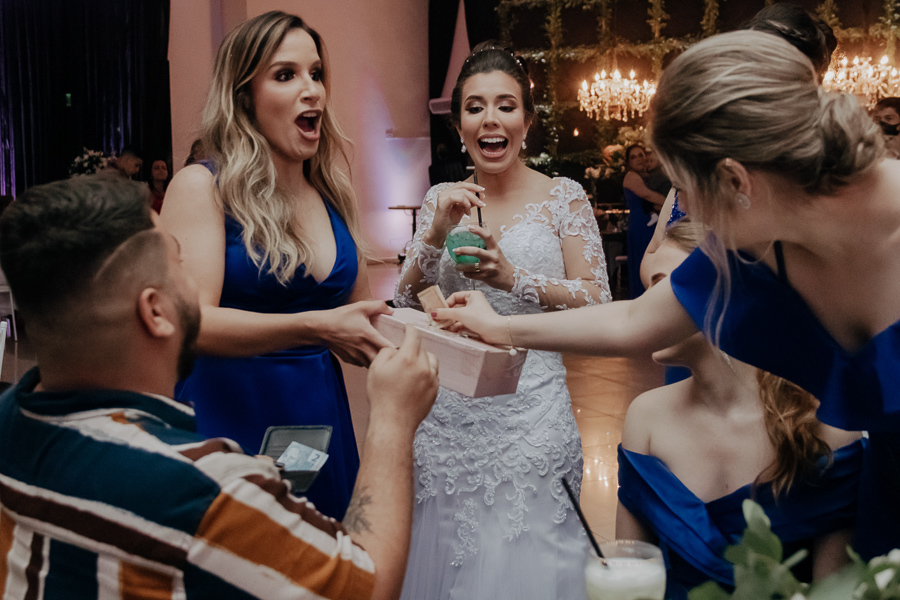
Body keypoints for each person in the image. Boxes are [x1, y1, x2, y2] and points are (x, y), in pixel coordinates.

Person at [433, 30, 900, 558]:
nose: (692, 221)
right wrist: (499, 326)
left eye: (688, 196)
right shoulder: (766, 239)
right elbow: (634, 321)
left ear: (736, 181)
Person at [0, 175, 440, 600]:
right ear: (155, 312)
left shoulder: (9, 419)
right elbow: (365, 587)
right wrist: (392, 420)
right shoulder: (209, 491)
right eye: (178, 260)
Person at [394, 41, 611, 600]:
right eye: (475, 107)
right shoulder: (441, 198)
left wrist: (512, 278)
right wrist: (437, 230)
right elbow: (406, 296)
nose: (490, 119)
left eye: (506, 106)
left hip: (533, 417)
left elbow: (599, 300)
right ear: (459, 125)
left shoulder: (563, 197)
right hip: (447, 418)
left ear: (527, 120)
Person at [160, 11, 393, 520]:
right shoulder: (203, 188)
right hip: (230, 415)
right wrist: (315, 327)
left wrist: (440, 331)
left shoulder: (332, 192)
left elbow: (362, 318)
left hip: (317, 419)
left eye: (316, 73)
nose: (312, 90)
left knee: (319, 569)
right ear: (245, 97)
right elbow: (187, 322)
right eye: (286, 75)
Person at [618, 220, 864, 599]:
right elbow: (628, 575)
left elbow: (835, 590)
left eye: (660, 285)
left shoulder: (826, 424)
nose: (643, 308)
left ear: (724, 291)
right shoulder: (646, 416)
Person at [622, 144, 667, 298]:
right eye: (633, 157)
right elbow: (648, 195)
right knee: (645, 264)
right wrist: (672, 203)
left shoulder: (646, 177)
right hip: (641, 226)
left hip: (650, 224)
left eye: (640, 155)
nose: (638, 159)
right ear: (628, 163)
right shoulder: (631, 176)